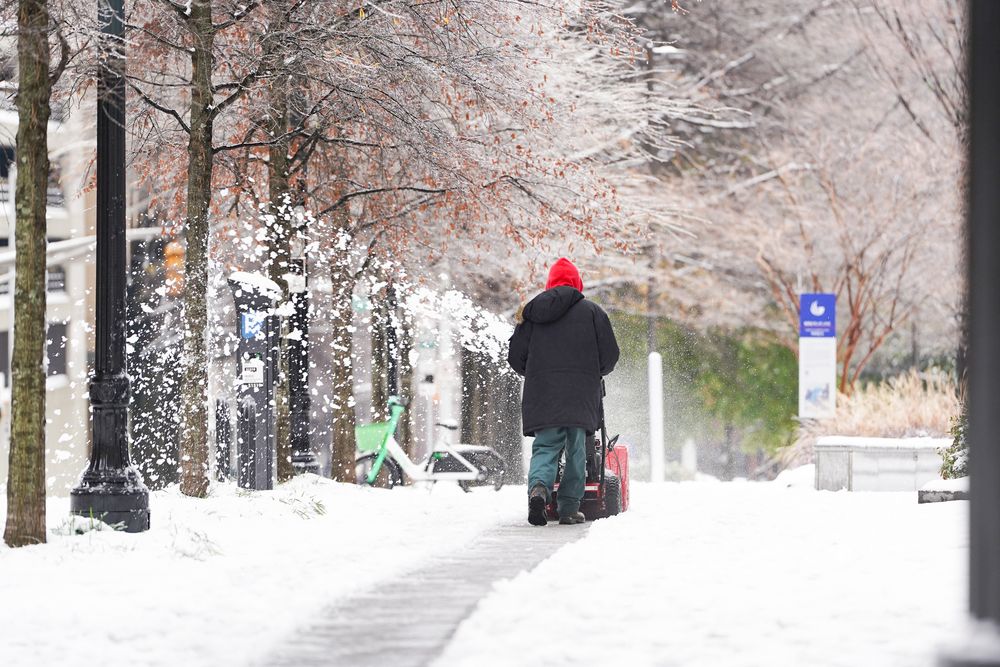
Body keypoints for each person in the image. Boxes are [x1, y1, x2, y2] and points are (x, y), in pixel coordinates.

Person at [507, 258, 620, 526]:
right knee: (577, 450)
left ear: (549, 284)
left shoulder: (531, 314)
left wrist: (535, 373)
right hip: (581, 396)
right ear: (577, 283)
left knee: (545, 447)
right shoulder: (593, 313)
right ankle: (569, 509)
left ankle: (538, 490)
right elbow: (610, 356)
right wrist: (595, 371)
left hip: (543, 395)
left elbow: (515, 357)